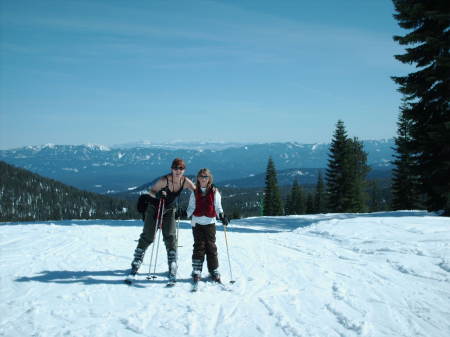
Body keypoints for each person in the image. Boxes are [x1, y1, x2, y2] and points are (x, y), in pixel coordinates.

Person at [127, 158, 195, 282]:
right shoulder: (164, 180)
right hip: (154, 208)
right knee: (148, 235)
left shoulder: (185, 182)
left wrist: (212, 190)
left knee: (170, 235)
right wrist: (158, 195)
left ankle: (172, 261)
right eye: (175, 168)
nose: (178, 171)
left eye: (181, 168)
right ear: (171, 169)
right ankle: (137, 259)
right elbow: (151, 192)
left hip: (169, 210)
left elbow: (197, 193)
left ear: (184, 170)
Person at [186, 168, 229, 283]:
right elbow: (191, 207)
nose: (203, 179)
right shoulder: (195, 192)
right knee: (199, 246)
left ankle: (213, 270)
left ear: (209, 178)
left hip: (210, 222)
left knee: (211, 246)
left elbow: (218, 207)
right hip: (197, 222)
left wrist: (222, 215)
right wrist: (185, 213)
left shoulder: (215, 192)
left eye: (205, 176)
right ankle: (197, 270)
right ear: (198, 178)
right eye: (201, 176)